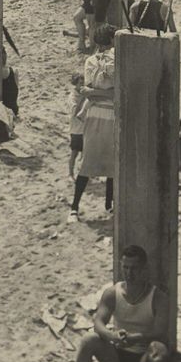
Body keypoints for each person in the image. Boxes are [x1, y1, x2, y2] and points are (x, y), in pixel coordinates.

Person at [72, 244, 170, 362]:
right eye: (126, 267)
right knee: (88, 339)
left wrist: (135, 338)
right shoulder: (112, 293)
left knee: (160, 348)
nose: (129, 273)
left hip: (144, 361)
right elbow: (98, 323)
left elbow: (160, 332)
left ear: (144, 269)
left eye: (134, 268)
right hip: (116, 358)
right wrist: (112, 335)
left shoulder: (158, 297)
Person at [70, 24, 116, 220]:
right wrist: (108, 93)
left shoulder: (91, 62)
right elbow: (115, 92)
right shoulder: (111, 61)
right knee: (98, 161)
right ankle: (80, 206)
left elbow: (90, 91)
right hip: (108, 113)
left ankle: (102, 204)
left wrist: (96, 93)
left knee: (101, 161)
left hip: (97, 112)